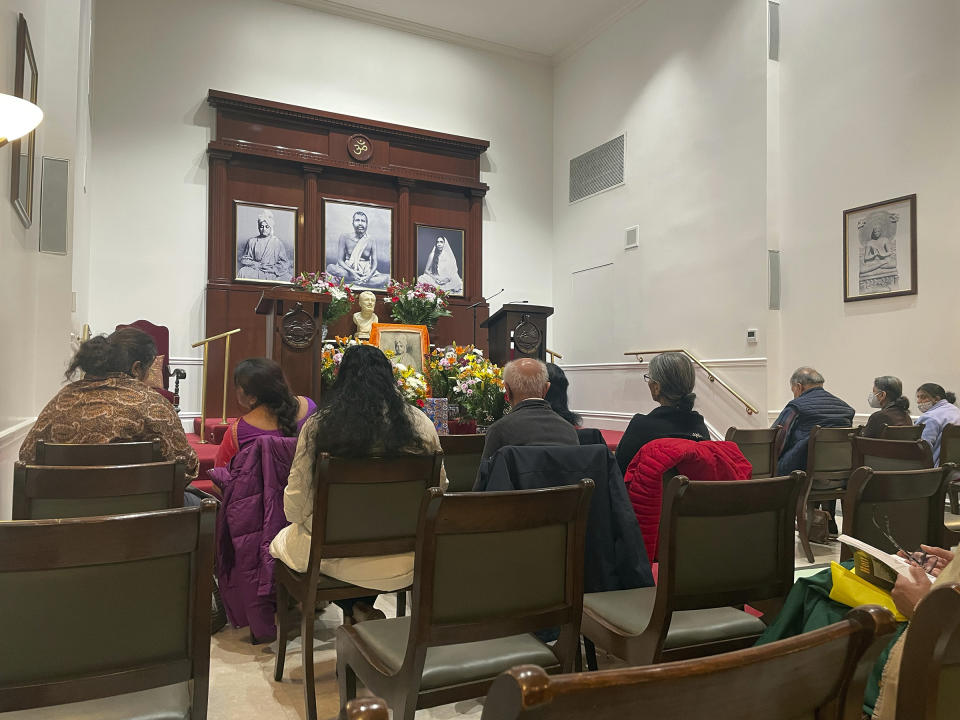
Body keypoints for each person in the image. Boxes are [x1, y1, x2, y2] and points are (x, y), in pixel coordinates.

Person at [269, 345, 445, 622]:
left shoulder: (320, 426)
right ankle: (360, 609)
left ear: (341, 380)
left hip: (333, 555)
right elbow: (440, 490)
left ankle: (349, 609)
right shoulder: (420, 423)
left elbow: (295, 506)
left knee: (287, 540)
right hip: (407, 556)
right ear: (390, 378)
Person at [19, 328, 199, 482]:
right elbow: (187, 467)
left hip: (63, 518)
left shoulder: (61, 400)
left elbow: (26, 457)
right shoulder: (154, 405)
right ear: (136, 369)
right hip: (141, 518)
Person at [615, 352, 709, 476]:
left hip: (649, 495)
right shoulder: (699, 427)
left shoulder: (641, 427)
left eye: (649, 378)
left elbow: (618, 474)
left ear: (656, 387)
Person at [214, 358, 316, 468]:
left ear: (252, 397)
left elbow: (220, 476)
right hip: (306, 484)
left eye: (237, 386)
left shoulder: (238, 431)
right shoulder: (310, 407)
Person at [480, 358, 579, 461]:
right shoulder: (569, 431)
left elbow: (486, 476)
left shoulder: (498, 431)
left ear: (507, 391)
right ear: (546, 389)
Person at [772, 366, 855, 475]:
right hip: (841, 474)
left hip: (799, 475)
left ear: (798, 387)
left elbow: (776, 440)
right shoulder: (846, 409)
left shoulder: (796, 407)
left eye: (793, 391)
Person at [325, 210, 388, 289]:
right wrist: (352, 272)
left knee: (385, 279)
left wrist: (369, 275)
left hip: (365, 271)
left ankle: (351, 281)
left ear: (367, 224)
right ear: (353, 223)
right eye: (357, 220)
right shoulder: (344, 237)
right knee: (330, 267)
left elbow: (375, 263)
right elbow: (340, 260)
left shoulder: (371, 240)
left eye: (363, 221)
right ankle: (358, 280)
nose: (360, 223)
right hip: (348, 270)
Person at [237, 209, 292, 281]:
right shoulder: (252, 241)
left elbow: (285, 262)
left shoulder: (277, 242)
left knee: (288, 277)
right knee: (242, 271)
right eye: (261, 226)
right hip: (256, 270)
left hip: (272, 271)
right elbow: (245, 259)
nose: (264, 229)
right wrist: (257, 265)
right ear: (258, 227)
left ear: (271, 228)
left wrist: (273, 269)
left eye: (267, 226)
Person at [914, 382, 960, 464]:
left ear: (936, 399)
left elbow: (921, 449)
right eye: (918, 397)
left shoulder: (930, 417)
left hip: (935, 470)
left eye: (923, 397)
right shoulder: (956, 411)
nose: (919, 401)